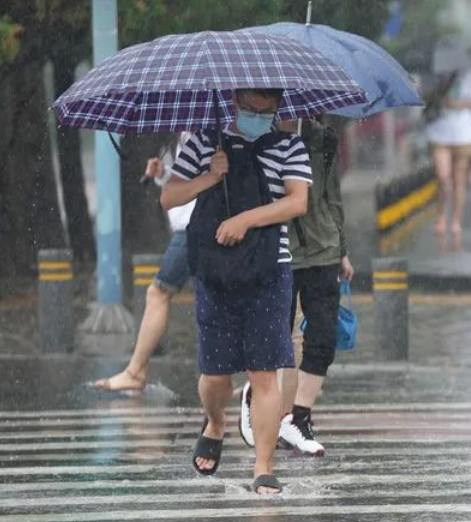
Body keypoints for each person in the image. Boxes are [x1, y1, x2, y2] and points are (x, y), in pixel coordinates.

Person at [160, 88, 311, 495]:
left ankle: (263, 466)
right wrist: (210, 176)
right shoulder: (204, 141)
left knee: (263, 372)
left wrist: (246, 219)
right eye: (249, 109)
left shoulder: (289, 145)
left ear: (278, 107)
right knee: (215, 376)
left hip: (268, 270)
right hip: (214, 271)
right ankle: (215, 421)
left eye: (266, 110)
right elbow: (169, 195)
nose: (258, 116)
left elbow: (297, 202)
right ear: (234, 102)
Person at [239, 117, 353, 457]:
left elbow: (333, 198)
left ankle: (299, 418)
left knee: (323, 339)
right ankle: (256, 395)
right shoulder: (254, 139)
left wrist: (342, 249)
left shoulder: (323, 139)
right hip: (279, 252)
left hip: (323, 250)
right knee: (277, 340)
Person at [94, 134, 193, 392]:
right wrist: (163, 174)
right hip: (191, 228)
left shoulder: (206, 133)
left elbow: (199, 183)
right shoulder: (187, 134)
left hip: (194, 229)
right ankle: (252, 378)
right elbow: (190, 179)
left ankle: (136, 370)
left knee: (159, 292)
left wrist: (168, 178)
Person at [425, 68, 471, 236]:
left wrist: (455, 104)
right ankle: (442, 215)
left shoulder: (468, 74)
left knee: (459, 179)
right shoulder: (434, 72)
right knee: (442, 177)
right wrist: (436, 95)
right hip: (439, 131)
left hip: (463, 133)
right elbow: (423, 95)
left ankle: (456, 220)